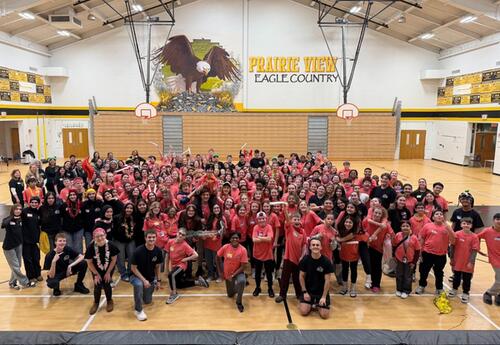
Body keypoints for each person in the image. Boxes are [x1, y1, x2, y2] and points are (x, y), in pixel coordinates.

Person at [416, 210, 455, 295]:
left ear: (443, 217)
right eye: (437, 214)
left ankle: (439, 288)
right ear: (433, 217)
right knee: (424, 271)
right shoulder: (427, 226)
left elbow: (453, 240)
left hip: (441, 255)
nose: (439, 215)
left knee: (439, 272)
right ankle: (421, 286)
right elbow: (421, 239)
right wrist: (420, 253)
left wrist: (449, 228)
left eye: (441, 214)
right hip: (427, 253)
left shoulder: (447, 228)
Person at [165, 229, 208, 305]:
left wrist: (186, 259)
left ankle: (174, 294)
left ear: (184, 237)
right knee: (179, 285)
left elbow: (196, 255)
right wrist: (166, 269)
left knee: (171, 275)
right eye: (180, 233)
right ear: (177, 233)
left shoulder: (185, 245)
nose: (180, 235)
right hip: (174, 266)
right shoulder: (170, 242)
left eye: (183, 235)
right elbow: (167, 255)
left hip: (181, 265)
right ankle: (198, 282)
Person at [130, 230, 163, 321]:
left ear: (156, 238)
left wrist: (158, 280)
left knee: (147, 301)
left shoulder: (158, 251)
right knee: (138, 285)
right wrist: (144, 280)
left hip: (150, 278)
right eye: (149, 237)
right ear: (145, 238)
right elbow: (133, 268)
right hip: (135, 276)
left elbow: (157, 267)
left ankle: (144, 292)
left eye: (153, 237)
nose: (151, 239)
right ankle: (138, 310)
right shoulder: (138, 251)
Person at [85, 228, 119, 314]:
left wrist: (108, 273)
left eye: (101, 236)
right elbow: (89, 263)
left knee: (107, 283)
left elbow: (114, 260)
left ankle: (109, 300)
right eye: (97, 236)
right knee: (97, 284)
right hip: (95, 268)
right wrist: (96, 274)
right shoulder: (90, 247)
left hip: (108, 267)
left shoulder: (111, 245)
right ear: (94, 238)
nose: (100, 238)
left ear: (105, 235)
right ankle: (96, 302)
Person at [1, 204, 35, 289]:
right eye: (16, 209)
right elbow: (3, 224)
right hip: (9, 247)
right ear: (13, 210)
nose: (18, 211)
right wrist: (12, 217)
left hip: (19, 245)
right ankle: (25, 282)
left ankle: (12, 282)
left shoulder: (21, 219)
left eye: (20, 209)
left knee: (18, 265)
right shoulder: (8, 219)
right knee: (15, 265)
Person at [275, 211, 306, 303]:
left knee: (297, 278)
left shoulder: (303, 232)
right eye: (294, 219)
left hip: (298, 259)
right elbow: (287, 221)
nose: (296, 221)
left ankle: (299, 294)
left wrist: (302, 256)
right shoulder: (289, 228)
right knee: (285, 278)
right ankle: (282, 295)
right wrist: (286, 212)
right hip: (288, 258)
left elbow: (304, 245)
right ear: (291, 221)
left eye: (298, 219)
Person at [298, 238, 334, 319]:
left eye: (317, 245)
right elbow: (301, 276)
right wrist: (304, 292)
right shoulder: (305, 260)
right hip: (309, 291)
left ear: (321, 247)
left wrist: (324, 297)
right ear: (310, 247)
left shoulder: (326, 261)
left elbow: (327, 281)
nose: (315, 247)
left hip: (321, 292)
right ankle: (311, 304)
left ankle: (316, 304)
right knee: (303, 312)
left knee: (325, 315)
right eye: (313, 245)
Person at [448, 218, 479, 303]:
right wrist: (452, 258)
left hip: (468, 262)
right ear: (461, 225)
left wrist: (471, 262)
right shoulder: (456, 234)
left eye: (468, 224)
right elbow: (452, 246)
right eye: (464, 223)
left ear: (471, 226)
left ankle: (465, 293)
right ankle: (454, 289)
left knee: (467, 279)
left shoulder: (474, 237)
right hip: (457, 261)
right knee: (456, 276)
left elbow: (474, 250)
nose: (466, 225)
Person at [216, 232, 249, 312]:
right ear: (230, 239)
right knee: (230, 295)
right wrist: (220, 272)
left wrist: (233, 275)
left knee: (241, 281)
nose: (235, 239)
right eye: (233, 238)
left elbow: (243, 266)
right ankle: (240, 286)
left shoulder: (243, 250)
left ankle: (239, 302)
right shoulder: (225, 247)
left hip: (238, 272)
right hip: (227, 273)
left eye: (237, 238)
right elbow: (217, 257)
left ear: (239, 239)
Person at [392, 221, 420, 299]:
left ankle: (406, 290)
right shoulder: (397, 235)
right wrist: (394, 256)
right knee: (399, 274)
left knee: (407, 276)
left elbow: (417, 251)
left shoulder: (414, 237)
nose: (405, 227)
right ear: (401, 228)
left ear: (410, 227)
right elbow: (394, 246)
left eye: (407, 226)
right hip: (399, 259)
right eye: (403, 226)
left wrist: (414, 262)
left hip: (410, 260)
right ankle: (399, 289)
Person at [478, 213, 500, 306]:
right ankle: (489, 293)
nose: (499, 221)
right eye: (497, 219)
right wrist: (477, 249)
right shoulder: (487, 231)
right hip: (495, 259)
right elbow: (476, 237)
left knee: (498, 278)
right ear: (493, 220)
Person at [252, 211, 275, 297]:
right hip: (257, 254)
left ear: (266, 219)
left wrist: (259, 238)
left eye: (263, 218)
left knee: (269, 273)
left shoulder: (269, 227)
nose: (262, 220)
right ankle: (258, 287)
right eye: (260, 219)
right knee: (258, 273)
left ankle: (270, 288)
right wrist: (264, 238)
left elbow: (269, 239)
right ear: (257, 220)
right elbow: (254, 240)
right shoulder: (255, 227)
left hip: (268, 254)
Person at [22, 196, 42, 283]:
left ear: (38, 204)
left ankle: (38, 274)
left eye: (36, 203)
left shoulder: (38, 213)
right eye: (32, 202)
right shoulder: (24, 211)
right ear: (29, 203)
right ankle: (30, 276)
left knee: (36, 258)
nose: (34, 204)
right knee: (28, 259)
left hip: (35, 241)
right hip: (25, 241)